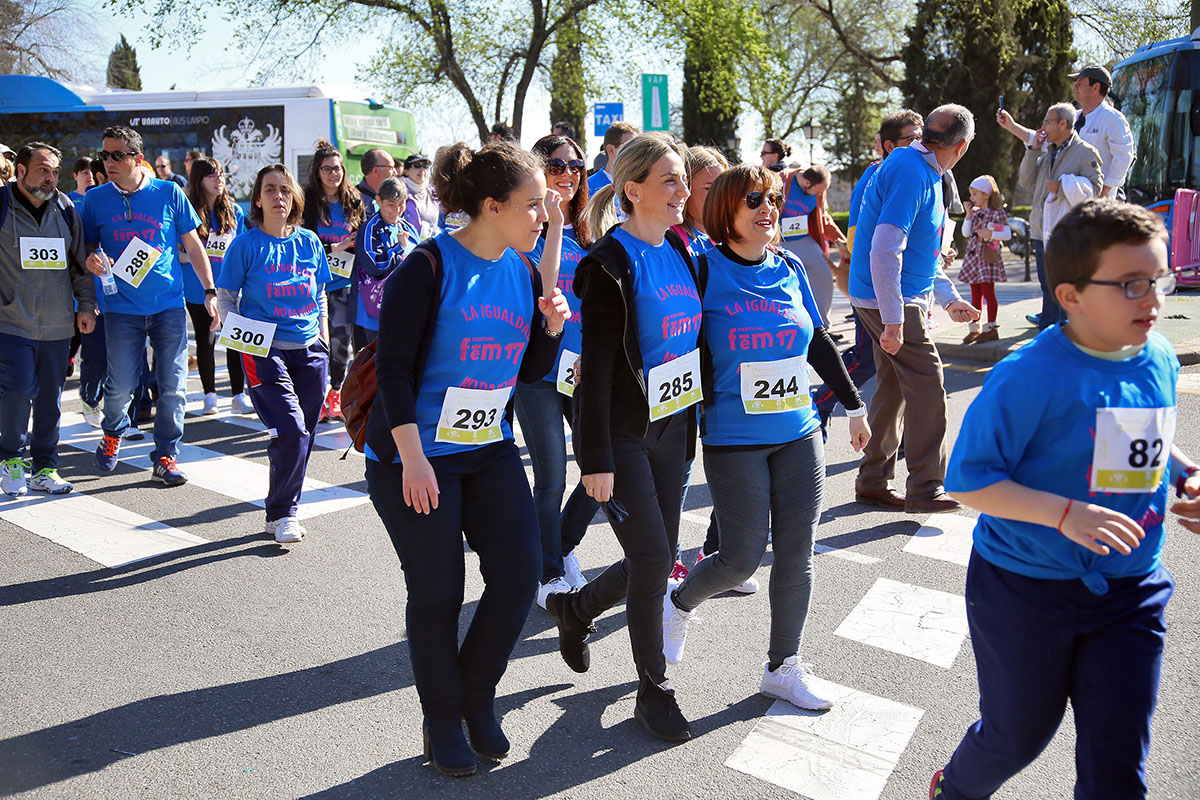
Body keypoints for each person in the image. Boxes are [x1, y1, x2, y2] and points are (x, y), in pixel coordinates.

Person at [929, 198, 1193, 800]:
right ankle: (956, 788)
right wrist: (1064, 513)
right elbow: (969, 479)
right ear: (1071, 296)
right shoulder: (1029, 374)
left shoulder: (1155, 354)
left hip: (1131, 588)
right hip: (1026, 590)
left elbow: (1141, 433)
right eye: (1130, 286)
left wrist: (1182, 475)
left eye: (1158, 279)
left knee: (1117, 767)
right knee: (1017, 738)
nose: (1153, 300)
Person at [363, 141, 569, 777]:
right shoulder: (426, 267)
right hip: (412, 454)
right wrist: (413, 459)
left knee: (519, 574)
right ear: (491, 205)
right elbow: (393, 371)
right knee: (439, 591)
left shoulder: (523, 270)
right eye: (532, 204)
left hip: (485, 449)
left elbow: (528, 372)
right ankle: (442, 717)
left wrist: (551, 329)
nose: (542, 215)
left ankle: (478, 695)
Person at [661, 164, 870, 710]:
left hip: (799, 430)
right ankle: (679, 602)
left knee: (798, 553)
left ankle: (783, 667)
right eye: (753, 199)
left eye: (773, 198)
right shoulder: (700, 269)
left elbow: (819, 341)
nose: (768, 208)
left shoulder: (790, 265)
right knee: (741, 559)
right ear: (725, 209)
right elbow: (672, 343)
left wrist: (853, 405)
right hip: (734, 437)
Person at [545, 131, 700, 743]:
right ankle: (653, 689)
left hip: (674, 426)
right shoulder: (605, 263)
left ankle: (576, 609)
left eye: (684, 179)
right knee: (658, 560)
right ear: (633, 190)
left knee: (651, 561)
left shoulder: (682, 247)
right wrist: (595, 458)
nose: (683, 191)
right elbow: (595, 372)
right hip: (624, 435)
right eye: (671, 181)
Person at [847, 105, 981, 514]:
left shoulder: (915, 166)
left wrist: (949, 297)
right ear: (961, 147)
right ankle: (925, 487)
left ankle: (873, 482)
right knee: (928, 388)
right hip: (892, 300)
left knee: (891, 387)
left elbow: (923, 255)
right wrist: (893, 320)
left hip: (887, 296)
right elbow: (885, 249)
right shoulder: (913, 172)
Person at [82, 125, 217, 487]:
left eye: (117, 155)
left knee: (173, 384)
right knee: (122, 383)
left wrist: (209, 289)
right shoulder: (95, 200)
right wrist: (92, 259)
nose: (108, 162)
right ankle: (112, 432)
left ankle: (166, 455)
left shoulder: (169, 192)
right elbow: (85, 250)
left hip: (168, 305)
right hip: (121, 307)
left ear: (138, 159)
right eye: (104, 155)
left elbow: (192, 243)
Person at [216, 164, 331, 544]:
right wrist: (241, 336)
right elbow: (227, 298)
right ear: (258, 199)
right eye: (269, 189)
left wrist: (325, 343)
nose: (278, 196)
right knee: (292, 430)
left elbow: (320, 295)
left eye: (284, 189)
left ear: (295, 197)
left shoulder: (311, 242)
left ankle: (279, 508)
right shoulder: (246, 245)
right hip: (264, 348)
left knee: (304, 435)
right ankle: (285, 513)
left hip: (311, 348)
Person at [513, 134, 600, 608]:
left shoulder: (590, 231)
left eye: (576, 166)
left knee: (604, 469)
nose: (568, 173)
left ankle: (560, 545)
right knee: (551, 476)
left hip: (584, 369)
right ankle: (547, 572)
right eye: (556, 164)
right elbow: (545, 294)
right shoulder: (524, 229)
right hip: (537, 371)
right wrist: (552, 223)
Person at [815, 109, 922, 430]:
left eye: (922, 137)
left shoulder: (921, 173)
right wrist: (856, 270)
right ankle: (818, 402)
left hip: (911, 287)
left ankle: (906, 439)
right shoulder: (874, 176)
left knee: (903, 366)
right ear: (890, 145)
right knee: (864, 357)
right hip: (875, 287)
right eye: (912, 139)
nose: (921, 144)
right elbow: (861, 234)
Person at [0, 142, 97, 497]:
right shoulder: (2, 205)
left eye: (55, 172)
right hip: (10, 322)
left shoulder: (66, 209)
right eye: (43, 169)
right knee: (15, 392)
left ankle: (45, 467)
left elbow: (80, 266)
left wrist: (86, 306)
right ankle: (11, 460)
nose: (50, 178)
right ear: (20, 170)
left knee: (49, 400)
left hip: (58, 325)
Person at [1017, 102, 1103, 331]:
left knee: (1065, 284)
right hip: (1041, 227)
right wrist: (1032, 149)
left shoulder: (1085, 152)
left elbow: (1095, 189)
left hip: (1068, 230)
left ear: (1063, 123)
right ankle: (1050, 331)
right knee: (1047, 284)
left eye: (1048, 121)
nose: (1043, 126)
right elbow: (1026, 182)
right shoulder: (1046, 151)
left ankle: (1067, 332)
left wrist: (1064, 186)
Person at [997, 65, 1134, 201]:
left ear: (1096, 87)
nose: (1075, 87)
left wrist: (1103, 193)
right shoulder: (1073, 117)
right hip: (1066, 202)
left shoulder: (1112, 119)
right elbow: (1042, 140)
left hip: (1096, 206)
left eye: (1080, 83)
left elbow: (1124, 158)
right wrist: (1011, 125)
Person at [302, 139, 365, 424]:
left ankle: (335, 394)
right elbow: (301, 243)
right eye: (327, 169)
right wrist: (332, 249)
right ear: (317, 172)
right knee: (312, 342)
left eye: (337, 169)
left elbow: (362, 238)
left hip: (344, 283)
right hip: (312, 284)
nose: (333, 174)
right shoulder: (307, 202)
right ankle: (313, 393)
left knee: (341, 343)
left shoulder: (353, 201)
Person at [183, 156, 250, 414]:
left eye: (221, 174)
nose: (218, 179)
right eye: (212, 175)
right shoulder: (188, 210)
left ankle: (237, 394)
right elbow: (179, 250)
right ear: (199, 180)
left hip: (230, 287)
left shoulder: (234, 211)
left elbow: (243, 247)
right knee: (205, 338)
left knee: (235, 340)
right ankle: (209, 394)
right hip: (196, 285)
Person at [778, 164, 848, 324]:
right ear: (807, 183)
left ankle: (822, 325)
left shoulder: (817, 192)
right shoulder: (782, 181)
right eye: (818, 191)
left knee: (823, 273)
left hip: (803, 239)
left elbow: (824, 217)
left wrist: (839, 239)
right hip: (779, 242)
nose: (820, 194)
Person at [352, 176, 415, 348]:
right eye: (391, 205)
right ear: (378, 201)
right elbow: (375, 266)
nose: (396, 210)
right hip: (372, 313)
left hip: (401, 308)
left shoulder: (407, 228)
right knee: (372, 367)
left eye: (401, 204)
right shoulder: (369, 228)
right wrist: (400, 248)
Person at [957, 175, 1009, 345]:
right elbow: (965, 233)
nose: (971, 198)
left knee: (988, 293)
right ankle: (975, 328)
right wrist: (968, 215)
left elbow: (1006, 234)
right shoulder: (976, 214)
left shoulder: (997, 213)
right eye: (971, 194)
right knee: (975, 294)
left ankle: (991, 328)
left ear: (986, 195)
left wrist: (990, 234)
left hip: (987, 258)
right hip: (973, 259)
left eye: (974, 194)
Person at [670, 145, 727, 255]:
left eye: (724, 189)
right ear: (685, 188)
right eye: (709, 188)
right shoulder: (668, 237)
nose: (720, 196)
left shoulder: (731, 236)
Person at [586, 121, 639, 196]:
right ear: (611, 150)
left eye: (638, 147)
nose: (636, 152)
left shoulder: (641, 184)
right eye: (629, 146)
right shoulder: (589, 187)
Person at [402, 153, 439, 239]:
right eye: (417, 166)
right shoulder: (400, 192)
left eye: (425, 166)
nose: (422, 170)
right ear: (406, 171)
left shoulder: (434, 193)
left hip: (431, 246)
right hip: (409, 247)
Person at [355, 148, 397, 213]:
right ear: (376, 171)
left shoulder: (393, 198)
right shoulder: (354, 201)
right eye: (391, 168)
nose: (395, 173)